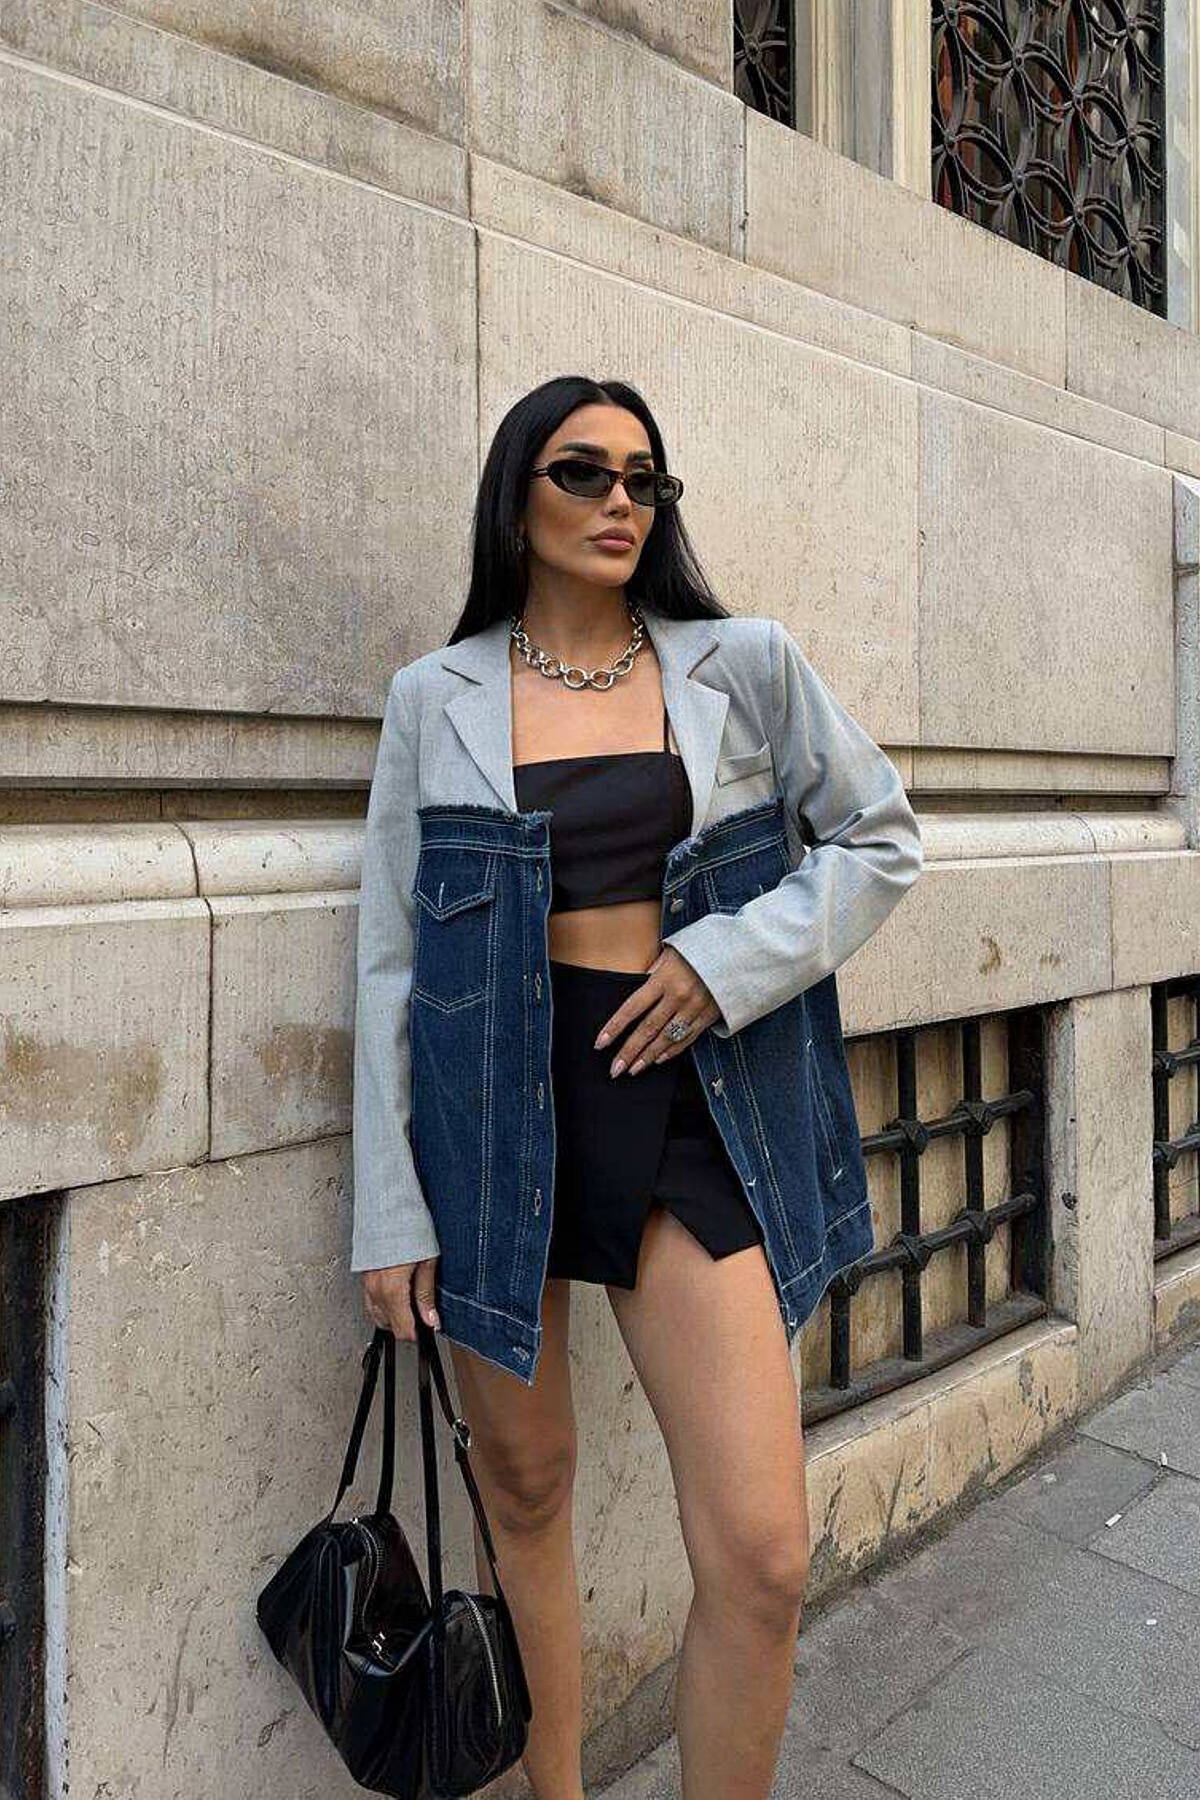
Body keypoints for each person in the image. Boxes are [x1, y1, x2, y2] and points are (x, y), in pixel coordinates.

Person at [351, 375, 924, 1799]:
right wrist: (390, 1209)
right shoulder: (436, 697)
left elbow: (880, 838)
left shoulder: (742, 665)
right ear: (517, 498)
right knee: (526, 1489)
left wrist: (725, 964)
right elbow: (392, 961)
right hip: (495, 1119)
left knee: (762, 1556)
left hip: (685, 1104)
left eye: (643, 480)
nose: (620, 501)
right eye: (584, 472)